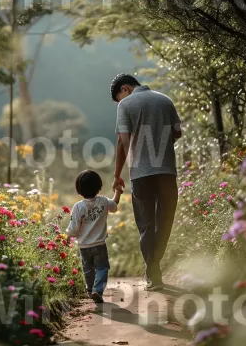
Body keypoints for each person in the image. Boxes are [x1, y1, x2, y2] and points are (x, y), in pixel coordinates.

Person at [110, 73, 181, 291]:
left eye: (119, 97)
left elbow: (123, 142)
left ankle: (153, 272)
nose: (119, 102)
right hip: (167, 171)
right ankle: (155, 266)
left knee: (146, 224)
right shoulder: (165, 100)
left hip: (141, 174)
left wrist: (117, 174)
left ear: (125, 89)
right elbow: (177, 132)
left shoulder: (125, 105)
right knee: (165, 220)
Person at [66, 170, 123, 303]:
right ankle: (97, 290)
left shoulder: (78, 207)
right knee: (102, 268)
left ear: (79, 190)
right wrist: (118, 191)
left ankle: (90, 290)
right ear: (99, 187)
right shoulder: (103, 201)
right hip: (100, 245)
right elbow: (114, 206)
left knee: (88, 270)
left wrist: (68, 237)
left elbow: (74, 228)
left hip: (84, 246)